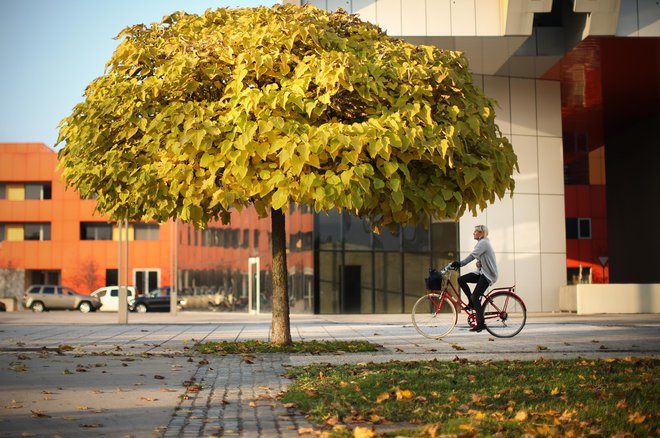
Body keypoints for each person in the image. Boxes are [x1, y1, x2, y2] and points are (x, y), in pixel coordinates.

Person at [450, 225, 497, 333]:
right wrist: (479, 264)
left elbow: (472, 256)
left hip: (487, 275)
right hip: (482, 272)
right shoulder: (481, 243)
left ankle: (481, 324)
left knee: (475, 297)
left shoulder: (483, 243)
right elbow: (480, 258)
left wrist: (459, 264)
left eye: (476, 231)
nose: (473, 233)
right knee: (461, 279)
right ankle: (471, 302)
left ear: (481, 233)